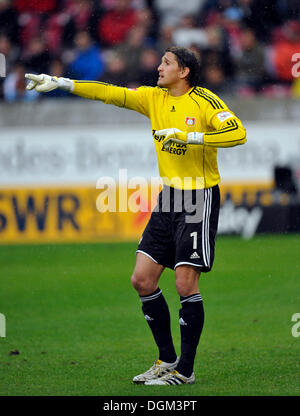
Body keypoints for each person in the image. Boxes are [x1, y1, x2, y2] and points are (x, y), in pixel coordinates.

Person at [24, 46, 246, 386]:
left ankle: (184, 371)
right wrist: (62, 82)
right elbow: (110, 93)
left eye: (166, 63)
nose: (158, 67)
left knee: (185, 282)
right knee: (142, 279)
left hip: (198, 195)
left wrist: (191, 137)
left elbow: (238, 134)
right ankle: (166, 358)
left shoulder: (206, 102)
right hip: (169, 196)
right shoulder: (152, 98)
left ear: (184, 71)